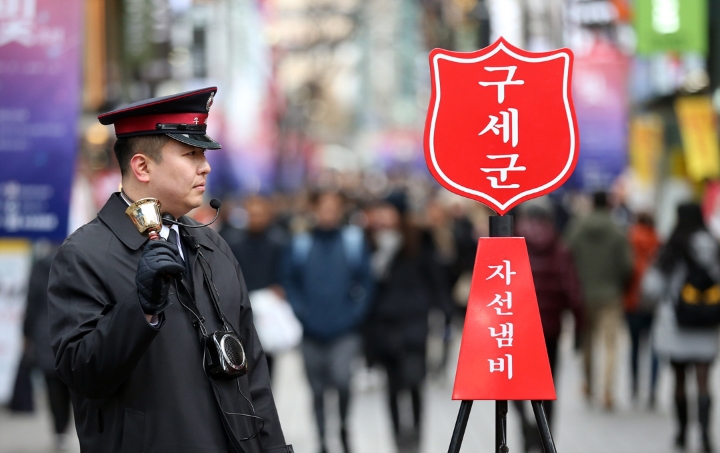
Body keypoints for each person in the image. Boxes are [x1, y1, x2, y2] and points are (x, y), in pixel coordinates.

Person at [48, 87, 292, 453]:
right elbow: (81, 374)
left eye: (204, 153)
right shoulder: (83, 254)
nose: (206, 165)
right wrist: (140, 308)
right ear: (142, 166)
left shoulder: (213, 246)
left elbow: (252, 373)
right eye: (191, 154)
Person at [282, 190, 374, 453]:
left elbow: (367, 282)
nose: (328, 212)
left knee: (344, 381)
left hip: (345, 331)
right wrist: (301, 312)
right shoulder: (300, 243)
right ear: (314, 210)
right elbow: (289, 281)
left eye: (334, 207)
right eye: (324, 207)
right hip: (311, 331)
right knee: (317, 390)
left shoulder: (353, 241)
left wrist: (355, 314)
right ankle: (322, 438)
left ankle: (343, 426)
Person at [364, 193, 452, 453]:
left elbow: (436, 279)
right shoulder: (371, 241)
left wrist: (445, 311)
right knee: (391, 388)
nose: (381, 216)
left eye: (387, 210)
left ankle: (415, 439)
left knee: (414, 383)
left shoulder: (419, 241)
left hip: (413, 324)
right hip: (384, 326)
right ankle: (397, 440)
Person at [643, 203, 720, 453]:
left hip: (676, 324)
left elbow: (652, 288)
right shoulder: (715, 246)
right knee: (703, 380)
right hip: (708, 322)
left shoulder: (672, 246)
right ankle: (706, 435)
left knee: (678, 380)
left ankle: (681, 434)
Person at [513, 202, 584, 452]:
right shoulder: (560, 248)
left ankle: (525, 425)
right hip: (550, 329)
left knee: (516, 383)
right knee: (548, 384)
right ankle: (546, 437)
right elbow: (573, 292)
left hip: (518, 330)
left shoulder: (513, 246)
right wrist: (578, 328)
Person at [566, 191, 633, 410]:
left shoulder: (577, 227)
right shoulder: (617, 230)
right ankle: (607, 390)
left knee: (587, 342)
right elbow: (627, 266)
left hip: (583, 294)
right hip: (611, 295)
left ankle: (588, 383)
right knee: (611, 344)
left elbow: (566, 256)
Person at [220, 195, 288, 378]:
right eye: (252, 214)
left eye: (260, 214)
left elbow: (285, 273)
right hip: (241, 306)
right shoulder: (233, 241)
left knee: (267, 361)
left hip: (269, 308)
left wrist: (279, 289)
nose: (256, 218)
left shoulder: (279, 241)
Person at [22, 245, 73, 451]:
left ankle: (59, 431)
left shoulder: (41, 266)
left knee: (53, 387)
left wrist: (26, 335)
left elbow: (31, 303)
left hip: (46, 334)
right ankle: (65, 428)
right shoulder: (75, 260)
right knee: (72, 386)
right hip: (70, 329)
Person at [623, 212, 660, 407]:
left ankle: (635, 387)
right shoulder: (659, 240)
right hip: (654, 303)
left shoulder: (630, 239)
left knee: (635, 346)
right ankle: (653, 389)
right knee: (655, 348)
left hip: (633, 301)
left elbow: (624, 270)